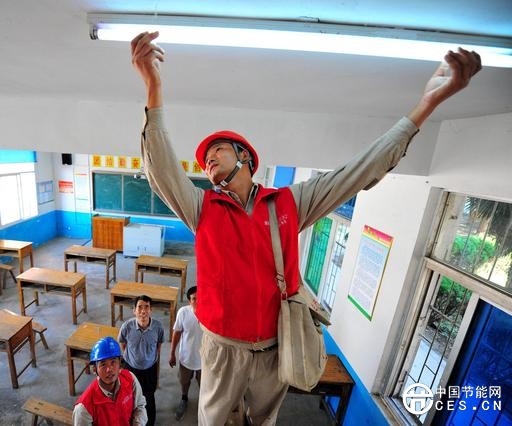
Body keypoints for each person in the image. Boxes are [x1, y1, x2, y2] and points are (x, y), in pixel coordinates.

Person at [130, 31, 481, 425]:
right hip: (221, 348)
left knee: (262, 422)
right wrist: (153, 87)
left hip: (275, 348)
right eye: (204, 160)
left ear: (245, 157)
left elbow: (355, 173)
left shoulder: (288, 203)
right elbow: (161, 170)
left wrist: (426, 105)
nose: (208, 160)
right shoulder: (202, 208)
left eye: (218, 151)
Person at [73, 336, 147, 426]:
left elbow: (139, 406)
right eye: (103, 364)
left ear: (120, 363)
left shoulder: (130, 379)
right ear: (95, 369)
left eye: (113, 362)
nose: (109, 369)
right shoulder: (83, 408)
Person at [118, 295, 164, 426]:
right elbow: (122, 343)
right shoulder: (127, 326)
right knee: (130, 396)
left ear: (151, 310)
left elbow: (158, 346)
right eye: (139, 307)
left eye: (147, 307)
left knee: (149, 397)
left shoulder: (158, 327)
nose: (143, 311)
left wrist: (149, 358)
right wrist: (131, 358)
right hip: (131, 368)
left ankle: (150, 422)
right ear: (134, 310)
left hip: (149, 369)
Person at [169, 286, 202, 421]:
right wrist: (172, 353)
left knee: (204, 385)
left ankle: (203, 406)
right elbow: (177, 333)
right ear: (189, 301)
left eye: (200, 298)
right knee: (184, 382)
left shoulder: (209, 313)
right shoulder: (183, 313)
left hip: (204, 360)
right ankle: (184, 398)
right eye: (194, 299)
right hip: (186, 358)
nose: (197, 301)